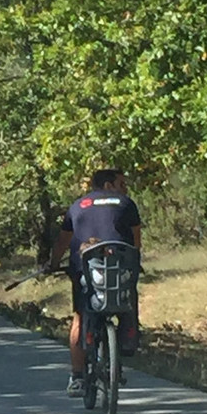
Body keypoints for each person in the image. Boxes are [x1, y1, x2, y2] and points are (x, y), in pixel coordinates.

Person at [47, 169, 142, 398]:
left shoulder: (77, 206)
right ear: (108, 185)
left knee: (80, 316)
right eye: (121, 183)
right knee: (128, 298)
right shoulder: (126, 203)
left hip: (86, 271)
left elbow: (62, 241)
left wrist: (53, 263)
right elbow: (136, 242)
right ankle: (129, 335)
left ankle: (77, 377)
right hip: (120, 269)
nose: (124, 188)